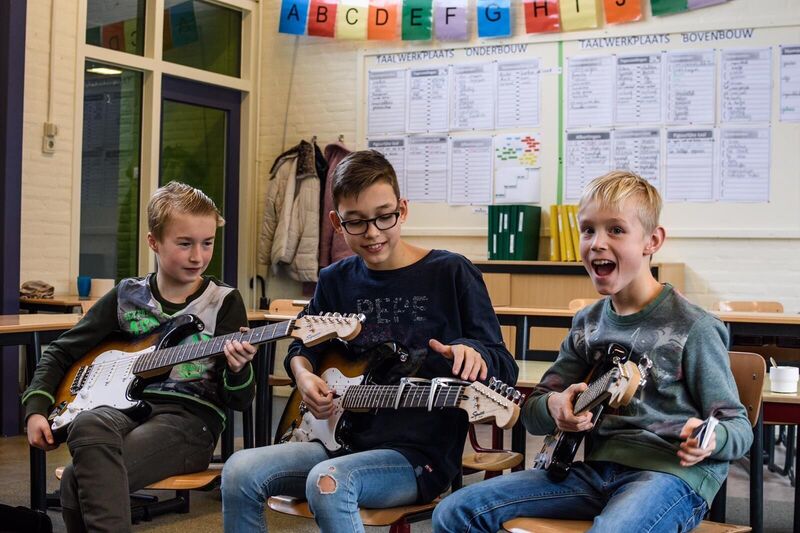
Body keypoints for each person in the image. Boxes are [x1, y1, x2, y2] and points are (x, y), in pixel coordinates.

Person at [433, 171, 753, 533]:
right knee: (455, 511)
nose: (597, 243)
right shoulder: (588, 323)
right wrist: (555, 407)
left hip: (670, 477)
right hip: (593, 473)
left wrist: (712, 437)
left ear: (652, 240)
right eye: (588, 230)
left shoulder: (694, 326)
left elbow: (738, 426)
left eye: (616, 229)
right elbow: (534, 412)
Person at [221, 150, 518, 533]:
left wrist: (475, 354)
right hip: (333, 438)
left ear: (403, 209)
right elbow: (302, 346)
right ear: (336, 222)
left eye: (384, 217)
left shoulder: (451, 273)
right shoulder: (335, 280)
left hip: (414, 456)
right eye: (357, 223)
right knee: (238, 470)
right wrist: (303, 376)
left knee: (329, 482)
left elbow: (503, 365)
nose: (373, 233)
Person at [23, 181, 257, 533]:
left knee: (75, 479)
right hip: (121, 411)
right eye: (184, 243)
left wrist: (239, 368)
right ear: (154, 242)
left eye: (207, 243)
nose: (198, 256)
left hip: (189, 422)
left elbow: (239, 400)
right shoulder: (127, 295)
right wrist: (36, 407)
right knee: (86, 425)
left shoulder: (223, 301)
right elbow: (61, 349)